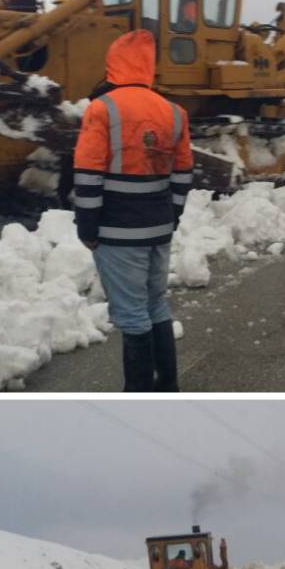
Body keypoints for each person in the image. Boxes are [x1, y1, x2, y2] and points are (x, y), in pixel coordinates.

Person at [73, 30, 193, 391]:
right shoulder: (174, 112)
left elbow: (88, 175)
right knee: (156, 305)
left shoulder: (101, 109)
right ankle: (166, 387)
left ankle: (139, 395)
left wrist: (88, 230)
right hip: (158, 229)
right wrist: (171, 217)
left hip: (118, 232)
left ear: (114, 64)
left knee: (131, 315)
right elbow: (183, 173)